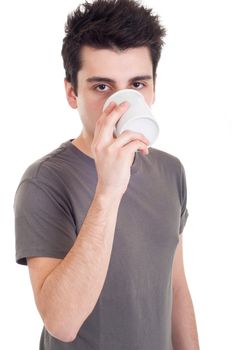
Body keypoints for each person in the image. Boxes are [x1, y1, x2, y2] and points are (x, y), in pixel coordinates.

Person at [14, 0, 200, 349]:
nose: (122, 105)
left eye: (137, 85)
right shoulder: (43, 181)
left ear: (154, 88)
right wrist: (108, 191)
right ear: (72, 93)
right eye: (102, 87)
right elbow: (62, 323)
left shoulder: (170, 170)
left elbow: (176, 287)